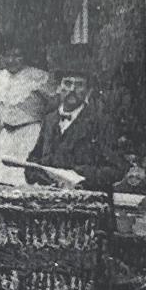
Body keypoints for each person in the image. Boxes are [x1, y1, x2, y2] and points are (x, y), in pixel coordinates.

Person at [28, 43, 127, 191]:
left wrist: (80, 175)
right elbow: (33, 162)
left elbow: (117, 169)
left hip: (87, 199)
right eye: (67, 83)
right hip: (53, 198)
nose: (72, 90)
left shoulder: (100, 122)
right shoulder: (50, 120)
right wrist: (40, 174)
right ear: (59, 88)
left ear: (88, 90)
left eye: (79, 85)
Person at [0, 32, 54, 185]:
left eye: (17, 55)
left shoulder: (38, 77)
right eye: (6, 55)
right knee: (0, 179)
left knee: (22, 178)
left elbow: (54, 107)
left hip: (30, 136)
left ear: (25, 56)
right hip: (5, 137)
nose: (11, 60)